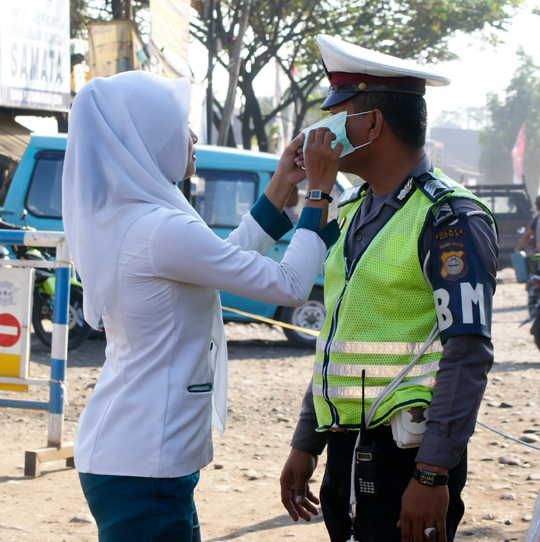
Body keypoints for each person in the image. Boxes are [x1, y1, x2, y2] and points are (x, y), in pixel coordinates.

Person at [61, 70, 342, 541]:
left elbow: (223, 256)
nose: (191, 136)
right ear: (146, 136)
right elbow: (291, 284)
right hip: (143, 463)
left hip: (140, 454)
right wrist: (317, 192)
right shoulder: (158, 227)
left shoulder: (139, 217)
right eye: (179, 125)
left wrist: (281, 184)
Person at [279, 35, 499, 542]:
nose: (322, 128)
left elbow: (467, 353)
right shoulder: (355, 213)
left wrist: (433, 473)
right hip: (346, 448)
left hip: (408, 459)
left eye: (338, 112)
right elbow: (338, 337)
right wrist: (307, 441)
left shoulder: (448, 217)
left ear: (373, 124)